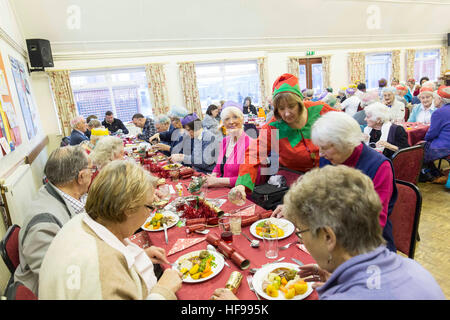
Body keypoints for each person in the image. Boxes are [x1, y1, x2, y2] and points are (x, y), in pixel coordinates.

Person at [212, 166, 445, 300]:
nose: (302, 239)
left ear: (328, 237)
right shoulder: (415, 269)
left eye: (301, 233)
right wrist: (337, 279)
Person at [39, 160, 183, 299]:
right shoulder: (101, 269)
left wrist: (138, 256)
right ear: (129, 210)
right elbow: (103, 275)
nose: (150, 213)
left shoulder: (80, 222)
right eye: (150, 207)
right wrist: (163, 292)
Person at [228, 73, 334, 203]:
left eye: (291, 106)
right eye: (281, 108)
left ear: (300, 102)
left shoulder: (320, 109)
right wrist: (241, 184)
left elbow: (345, 127)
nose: (287, 113)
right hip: (294, 182)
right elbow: (253, 154)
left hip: (328, 176)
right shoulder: (273, 126)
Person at [311, 112, 397, 252]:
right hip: (331, 231)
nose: (320, 153)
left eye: (325, 147)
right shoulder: (329, 158)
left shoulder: (379, 166)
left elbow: (375, 221)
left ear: (346, 142)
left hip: (368, 241)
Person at [14, 146, 94, 296]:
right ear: (81, 177)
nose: (93, 172)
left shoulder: (59, 191)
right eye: (91, 169)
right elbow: (63, 278)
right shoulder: (44, 224)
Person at [206, 104, 261, 188]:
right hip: (223, 190)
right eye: (227, 119)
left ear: (242, 119)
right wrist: (212, 176)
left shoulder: (252, 144)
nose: (231, 121)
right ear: (223, 123)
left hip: (241, 195)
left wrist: (218, 181)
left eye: (235, 117)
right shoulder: (224, 141)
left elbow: (253, 178)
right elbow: (218, 167)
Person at [422, 86, 450, 184]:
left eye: (435, 98)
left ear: (440, 99)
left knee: (418, 149)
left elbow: (431, 134)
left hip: (444, 147)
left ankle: (429, 176)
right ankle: (436, 173)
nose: (434, 100)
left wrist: (423, 139)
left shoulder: (439, 113)